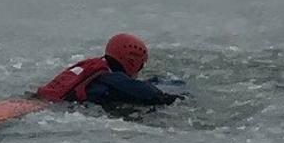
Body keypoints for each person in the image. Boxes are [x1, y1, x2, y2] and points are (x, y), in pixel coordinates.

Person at [35, 32, 180, 106]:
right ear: (132, 62)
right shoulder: (110, 79)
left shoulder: (94, 66)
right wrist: (174, 99)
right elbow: (148, 94)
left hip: (41, 100)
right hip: (54, 108)